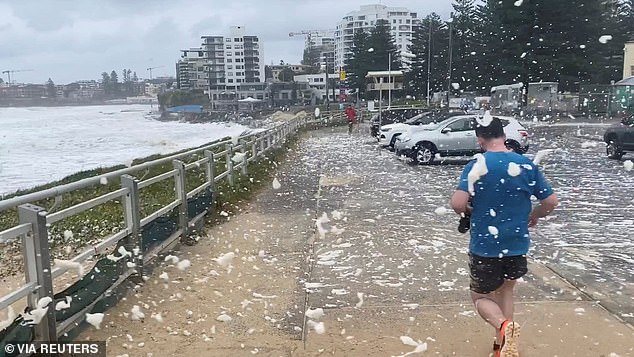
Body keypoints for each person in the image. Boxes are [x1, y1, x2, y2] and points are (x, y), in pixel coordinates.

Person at [450, 116, 558, 357]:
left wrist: (469, 210)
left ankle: (503, 326)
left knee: (480, 296)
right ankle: (504, 346)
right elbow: (551, 201)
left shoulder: (478, 164)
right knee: (506, 292)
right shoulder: (525, 165)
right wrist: (535, 214)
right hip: (516, 243)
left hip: (486, 245)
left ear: (480, 139)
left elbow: (457, 203)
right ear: (503, 135)